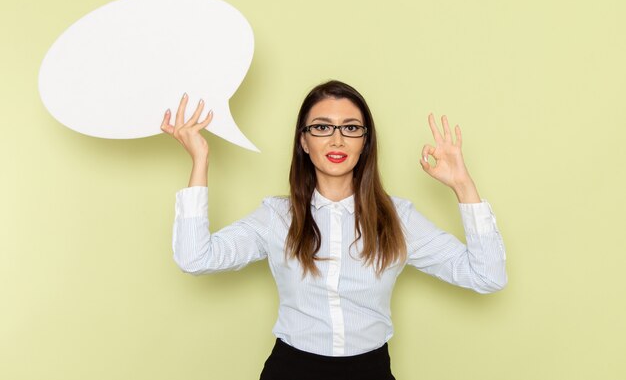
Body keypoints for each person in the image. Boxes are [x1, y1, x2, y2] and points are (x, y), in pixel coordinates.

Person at [160, 80, 507, 380]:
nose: (337, 140)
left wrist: (463, 186)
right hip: (290, 370)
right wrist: (200, 160)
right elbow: (195, 258)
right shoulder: (276, 216)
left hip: (370, 370)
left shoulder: (398, 217)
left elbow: (487, 276)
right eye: (322, 127)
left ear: (365, 142)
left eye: (351, 128)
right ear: (304, 141)